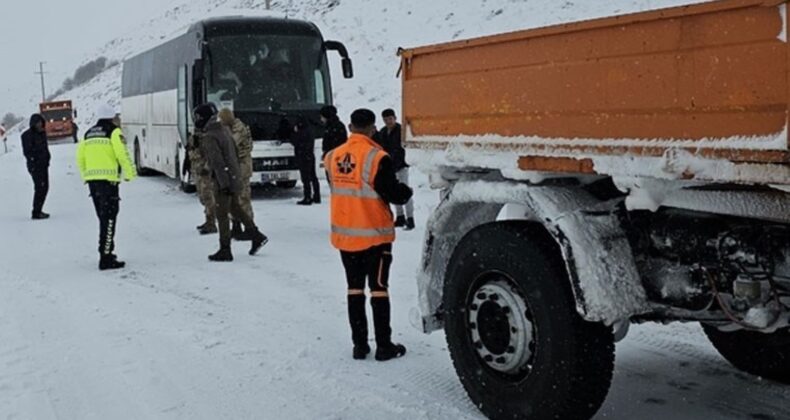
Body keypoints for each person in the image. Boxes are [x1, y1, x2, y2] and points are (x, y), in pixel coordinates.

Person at [324, 108, 413, 361]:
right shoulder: (377, 157)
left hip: (346, 236)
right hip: (375, 235)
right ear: (373, 128)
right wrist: (406, 192)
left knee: (354, 289)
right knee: (379, 289)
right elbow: (392, 193)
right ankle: (384, 346)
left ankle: (360, 345)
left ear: (350, 128)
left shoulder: (332, 157)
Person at [193, 103, 268, 261]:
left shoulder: (210, 136)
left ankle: (225, 249)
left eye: (198, 117)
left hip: (224, 180)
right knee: (235, 208)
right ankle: (256, 235)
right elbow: (232, 155)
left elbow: (218, 162)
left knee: (222, 214)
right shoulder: (224, 130)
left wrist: (223, 183)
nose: (196, 120)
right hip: (233, 176)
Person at [76, 104, 137, 270]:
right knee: (109, 218)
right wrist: (130, 173)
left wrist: (86, 176)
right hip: (108, 182)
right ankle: (106, 256)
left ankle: (107, 251)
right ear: (111, 117)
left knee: (103, 217)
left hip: (93, 182)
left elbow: (80, 158)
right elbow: (122, 154)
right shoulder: (113, 132)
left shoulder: (88, 133)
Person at [218, 108, 255, 240]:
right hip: (235, 166)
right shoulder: (230, 127)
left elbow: (231, 144)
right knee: (234, 199)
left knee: (243, 197)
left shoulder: (239, 128)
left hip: (242, 167)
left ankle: (249, 227)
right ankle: (236, 225)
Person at [375, 109, 414, 230]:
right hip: (389, 167)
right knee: (393, 190)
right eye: (386, 120)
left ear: (395, 118)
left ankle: (410, 218)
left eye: (390, 119)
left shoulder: (401, 131)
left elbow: (404, 148)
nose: (388, 121)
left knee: (405, 191)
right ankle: (400, 216)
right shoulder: (382, 132)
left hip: (401, 165)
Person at [187, 123, 218, 235]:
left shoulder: (206, 138)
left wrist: (207, 168)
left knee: (208, 197)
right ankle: (208, 220)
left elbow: (210, 155)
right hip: (198, 170)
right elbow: (191, 152)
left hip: (204, 172)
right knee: (203, 197)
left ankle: (211, 223)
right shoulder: (196, 137)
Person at [21, 114, 51, 220]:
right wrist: (36, 160)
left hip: (44, 165)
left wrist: (47, 158)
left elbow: (44, 148)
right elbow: (28, 152)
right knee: (40, 188)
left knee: (45, 187)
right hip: (35, 166)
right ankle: (36, 212)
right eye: (37, 122)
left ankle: (38, 210)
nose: (40, 124)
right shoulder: (26, 135)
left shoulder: (42, 133)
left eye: (41, 122)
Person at [290, 117, 320, 205]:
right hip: (310, 155)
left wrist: (294, 133)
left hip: (303, 156)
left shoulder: (301, 132)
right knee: (313, 176)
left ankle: (307, 197)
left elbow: (295, 141)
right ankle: (316, 196)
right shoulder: (310, 131)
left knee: (305, 178)